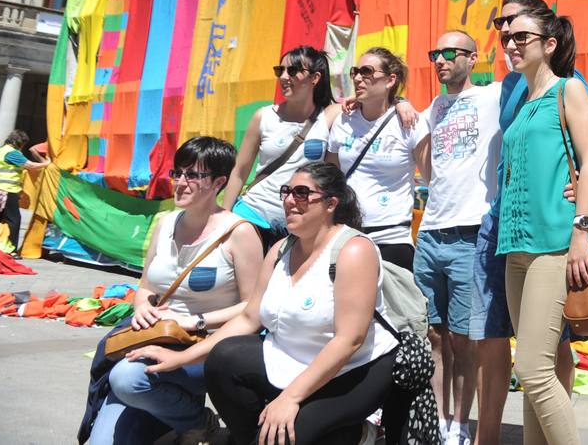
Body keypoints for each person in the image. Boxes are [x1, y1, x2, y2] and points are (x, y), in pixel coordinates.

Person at [132, 162, 408, 443]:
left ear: (330, 203)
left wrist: (290, 398)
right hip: (290, 360)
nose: (290, 200)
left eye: (301, 193)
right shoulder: (280, 250)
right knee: (223, 359)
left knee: (283, 434)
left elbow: (349, 339)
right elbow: (249, 319)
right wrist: (180, 358)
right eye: (286, 192)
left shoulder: (354, 250)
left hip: (350, 371)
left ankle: (355, 433)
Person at [470, 0, 588, 445]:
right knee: (536, 373)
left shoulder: (567, 87)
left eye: (521, 35)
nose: (510, 42)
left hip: (554, 244)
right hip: (515, 249)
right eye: (506, 35)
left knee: (532, 369)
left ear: (549, 43)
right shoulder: (522, 97)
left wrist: (581, 231)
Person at [89, 137, 263, 445]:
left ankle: (198, 422)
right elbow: (145, 286)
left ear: (219, 182)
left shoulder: (240, 233)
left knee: (126, 378)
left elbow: (253, 307)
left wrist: (195, 321)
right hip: (154, 339)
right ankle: (178, 412)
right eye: (178, 172)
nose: (180, 182)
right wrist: (141, 306)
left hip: (207, 348)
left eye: (193, 175)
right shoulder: (165, 223)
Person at [415, 30, 503, 445]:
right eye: (436, 53)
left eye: (450, 53)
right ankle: (437, 419)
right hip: (430, 232)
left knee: (464, 337)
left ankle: (460, 425)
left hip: (471, 234)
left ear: (473, 58)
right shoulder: (433, 107)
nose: (440, 60)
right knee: (432, 334)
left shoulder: (494, 96)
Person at [222, 47, 341, 250]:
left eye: (293, 71)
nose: (284, 77)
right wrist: (224, 218)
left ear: (315, 78)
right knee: (247, 281)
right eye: (280, 71)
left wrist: (401, 103)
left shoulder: (330, 116)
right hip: (252, 214)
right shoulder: (264, 116)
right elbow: (240, 171)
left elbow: (373, 103)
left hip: (298, 224)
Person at [326, 47, 430, 270]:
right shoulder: (343, 121)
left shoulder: (410, 122)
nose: (357, 77)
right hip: (346, 236)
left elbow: (433, 180)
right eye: (355, 71)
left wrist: (401, 101)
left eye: (367, 71)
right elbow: (331, 180)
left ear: (390, 79)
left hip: (392, 239)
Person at [0, 130, 49, 253]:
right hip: (7, 191)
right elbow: (30, 165)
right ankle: (12, 250)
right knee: (14, 220)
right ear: (19, 142)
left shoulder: (1, 150)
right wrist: (46, 163)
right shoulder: (12, 153)